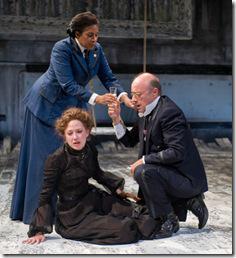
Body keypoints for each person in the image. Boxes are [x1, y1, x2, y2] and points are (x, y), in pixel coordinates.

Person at [10, 11, 133, 224]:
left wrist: (123, 96)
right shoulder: (61, 48)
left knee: (74, 158)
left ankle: (68, 211)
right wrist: (98, 99)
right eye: (90, 35)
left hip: (74, 104)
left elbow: (108, 77)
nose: (95, 39)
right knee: (47, 160)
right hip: (47, 106)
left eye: (97, 35)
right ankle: (37, 215)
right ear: (77, 34)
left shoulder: (97, 50)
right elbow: (67, 84)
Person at [22, 108, 160, 245]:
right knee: (125, 229)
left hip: (93, 199)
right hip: (74, 215)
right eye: (70, 133)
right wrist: (38, 230)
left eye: (79, 131)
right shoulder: (56, 159)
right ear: (64, 135)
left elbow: (97, 173)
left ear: (87, 132)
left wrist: (118, 190)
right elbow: (45, 195)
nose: (75, 137)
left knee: (144, 214)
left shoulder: (90, 149)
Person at [108, 72, 209, 239]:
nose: (133, 99)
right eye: (132, 94)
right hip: (168, 173)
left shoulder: (169, 113)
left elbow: (177, 151)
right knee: (143, 203)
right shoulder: (146, 110)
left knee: (143, 171)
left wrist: (144, 160)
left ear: (154, 92)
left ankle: (169, 219)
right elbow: (128, 141)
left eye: (138, 95)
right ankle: (189, 201)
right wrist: (116, 119)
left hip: (186, 179)